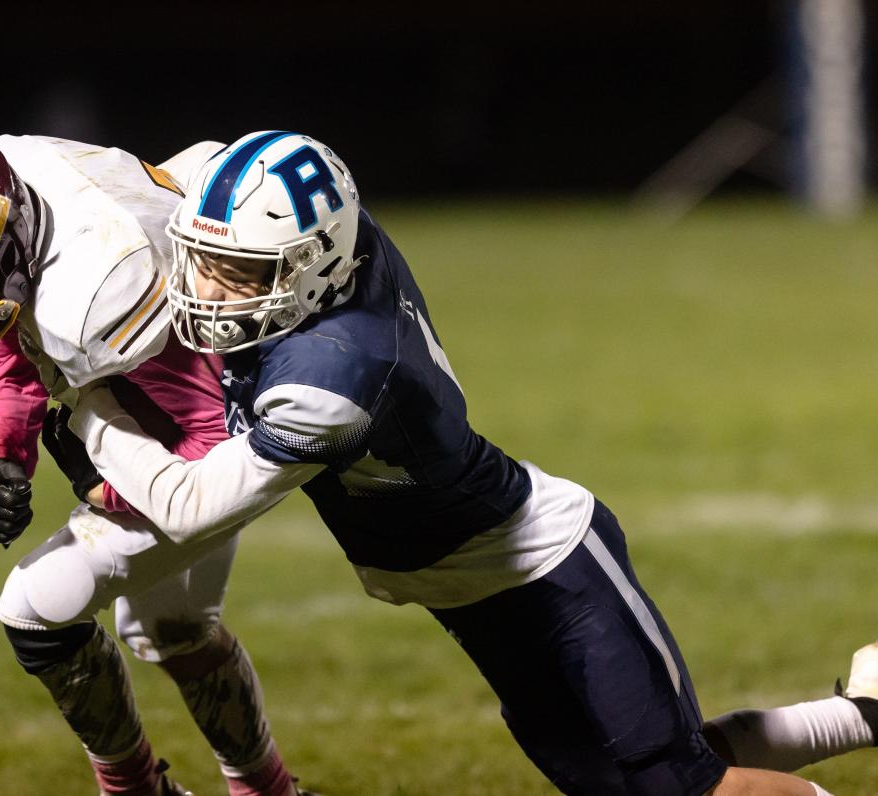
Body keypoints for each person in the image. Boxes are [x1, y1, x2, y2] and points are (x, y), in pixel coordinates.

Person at [60, 130, 878, 795]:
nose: (211, 288)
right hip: (465, 587)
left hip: (543, 567)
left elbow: (193, 506)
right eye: (205, 258)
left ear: (312, 267)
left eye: (240, 272)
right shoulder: (337, 253)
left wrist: (94, 405)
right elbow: (189, 171)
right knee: (629, 781)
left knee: (674, 784)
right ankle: (868, 715)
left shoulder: (332, 375)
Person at [0, 133, 318, 796]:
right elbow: (17, 352)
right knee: (170, 629)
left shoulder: (102, 290)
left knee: (36, 608)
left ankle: (135, 790)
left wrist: (104, 484)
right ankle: (267, 790)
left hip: (222, 440)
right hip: (185, 409)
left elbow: (217, 445)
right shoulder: (18, 185)